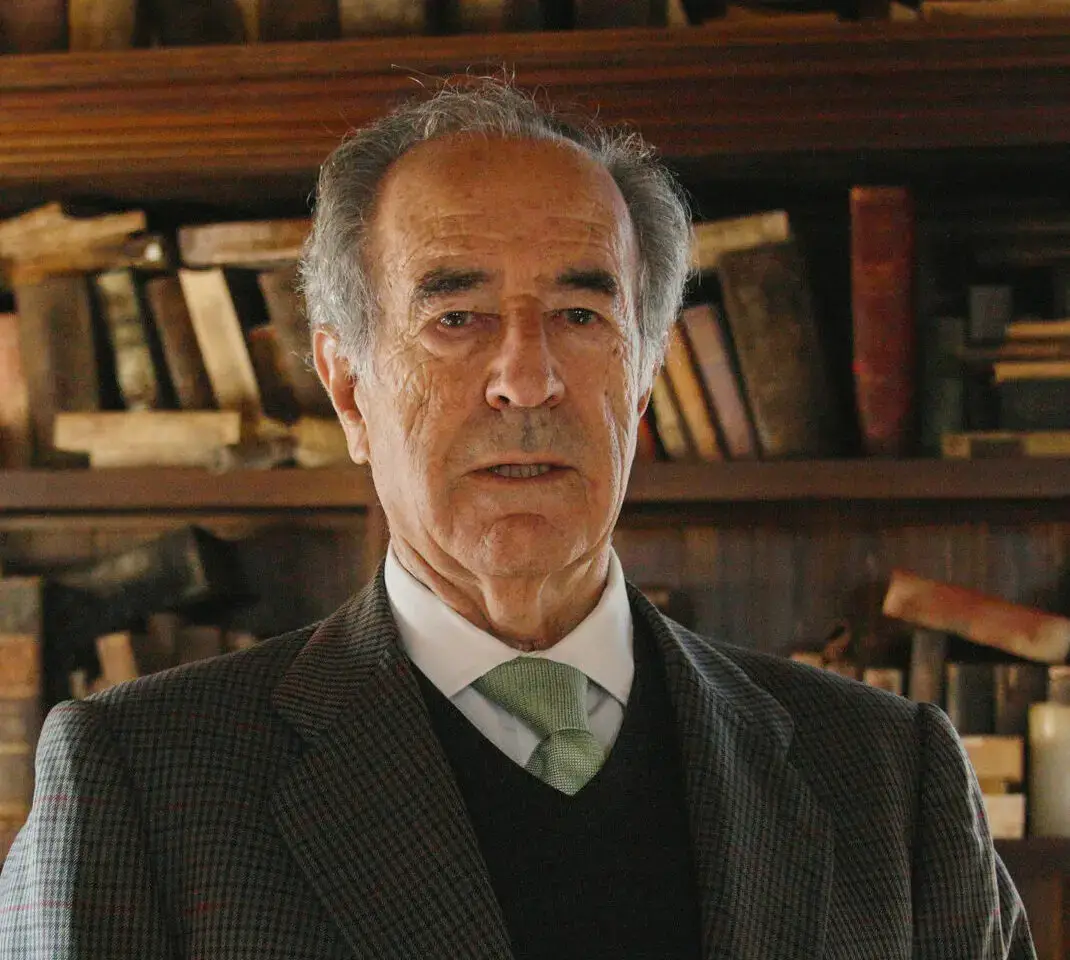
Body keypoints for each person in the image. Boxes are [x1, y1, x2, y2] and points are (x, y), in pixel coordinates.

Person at [0, 77, 1035, 960]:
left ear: (641, 380)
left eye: (581, 315)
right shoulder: (145, 781)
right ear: (349, 389)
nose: (526, 379)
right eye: (456, 317)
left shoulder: (886, 777)